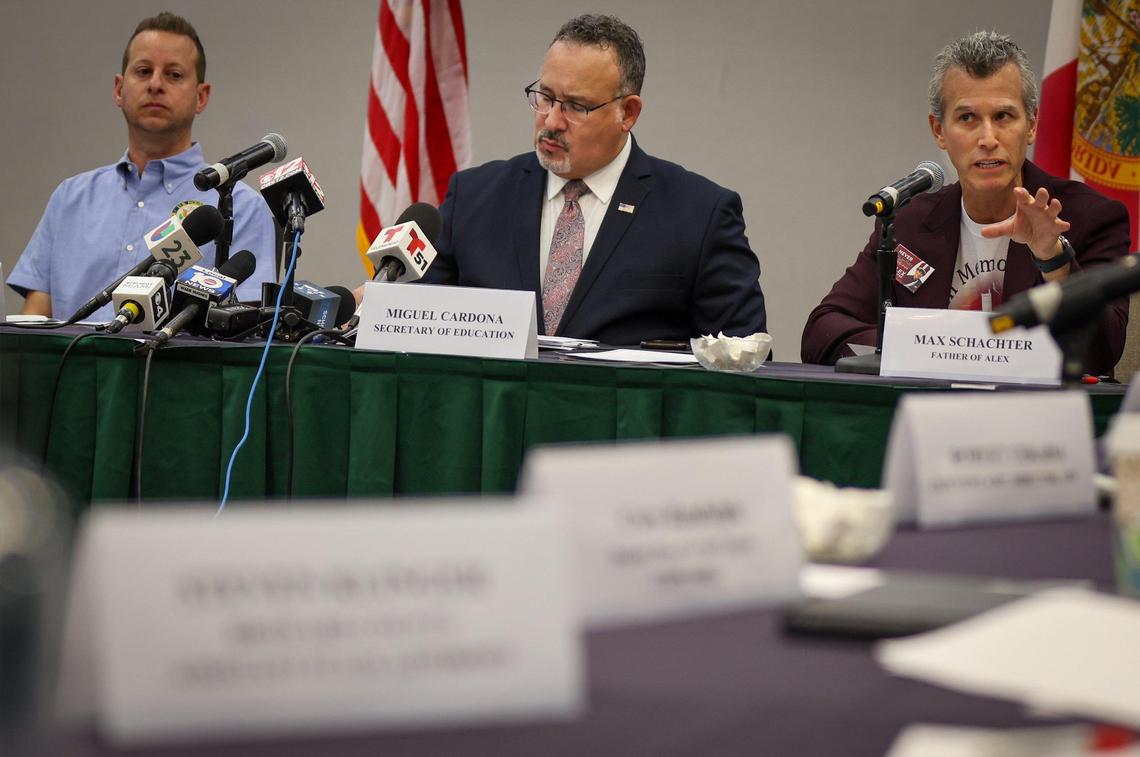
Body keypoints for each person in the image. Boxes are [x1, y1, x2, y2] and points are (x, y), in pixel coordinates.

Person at [420, 14, 767, 345]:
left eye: (575, 106)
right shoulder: (474, 197)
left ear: (627, 113)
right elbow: (415, 327)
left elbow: (744, 358)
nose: (552, 121)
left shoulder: (699, 214)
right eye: (545, 97)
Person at [800, 31, 1131, 375]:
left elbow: (1102, 352)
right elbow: (821, 331)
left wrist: (1054, 260)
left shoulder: (1088, 218)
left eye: (1003, 116)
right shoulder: (910, 223)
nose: (988, 139)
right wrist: (925, 346)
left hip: (1037, 420)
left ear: (1031, 124)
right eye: (967, 118)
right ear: (939, 130)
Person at [7, 11, 276, 321]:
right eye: (144, 71)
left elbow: (246, 330)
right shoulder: (69, 198)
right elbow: (33, 324)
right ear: (119, 89)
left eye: (174, 75)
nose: (156, 84)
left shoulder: (237, 207)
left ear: (201, 97)